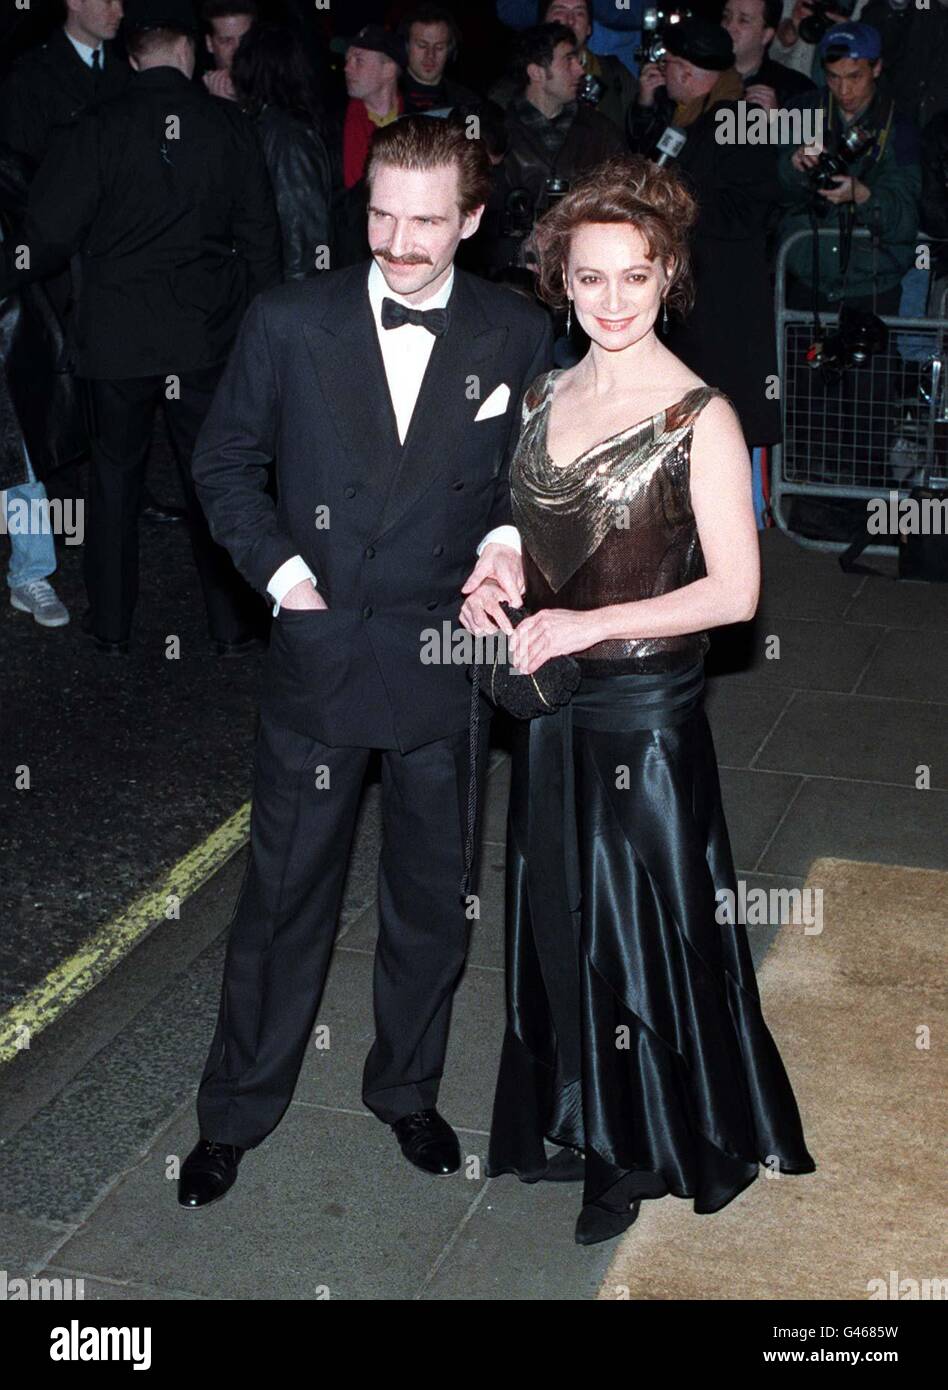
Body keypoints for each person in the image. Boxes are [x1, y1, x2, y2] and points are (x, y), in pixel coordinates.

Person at [178, 115, 553, 1208]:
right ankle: (235, 1114)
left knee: (433, 900)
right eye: (380, 212)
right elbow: (226, 462)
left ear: (474, 222)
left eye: (425, 222)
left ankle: (407, 1090)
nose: (395, 239)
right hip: (324, 653)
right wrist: (288, 580)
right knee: (284, 898)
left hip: (444, 653)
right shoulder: (290, 321)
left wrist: (501, 546)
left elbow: (525, 479)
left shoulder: (514, 331)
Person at [460, 156, 816, 1246]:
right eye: (591, 278)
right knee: (556, 915)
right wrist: (496, 571)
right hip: (553, 701)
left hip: (645, 720)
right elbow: (529, 519)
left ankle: (640, 1144)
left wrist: (590, 624)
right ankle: (572, 1110)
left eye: (636, 277)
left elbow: (736, 592)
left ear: (668, 279)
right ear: (561, 283)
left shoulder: (699, 416)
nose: (613, 300)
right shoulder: (541, 391)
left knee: (640, 930)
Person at [1, 0, 282, 654]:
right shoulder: (229, 126)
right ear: (188, 52)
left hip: (119, 341)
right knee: (212, 477)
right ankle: (232, 619)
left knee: (114, 477)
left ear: (132, 57)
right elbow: (262, 239)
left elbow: (43, 237)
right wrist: (261, 327)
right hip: (203, 337)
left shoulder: (95, 128)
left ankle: (113, 619)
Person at [628, 18, 782, 450]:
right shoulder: (685, 119)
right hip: (693, 302)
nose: (665, 74)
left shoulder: (740, 122)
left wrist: (674, 203)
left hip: (725, 307)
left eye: (672, 65)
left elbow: (749, 208)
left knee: (723, 425)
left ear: (690, 73)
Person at [776, 23, 921, 314]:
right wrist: (794, 166)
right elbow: (772, 195)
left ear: (876, 68)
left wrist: (864, 196)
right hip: (808, 277)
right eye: (833, 77)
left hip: (873, 285)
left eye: (855, 76)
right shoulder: (801, 112)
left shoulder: (900, 126)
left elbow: (906, 218)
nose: (844, 89)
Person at [487, 23, 624, 271]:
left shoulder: (602, 132)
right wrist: (519, 252)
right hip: (515, 279)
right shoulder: (497, 133)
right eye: (568, 61)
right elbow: (483, 221)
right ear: (536, 72)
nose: (580, 70)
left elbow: (622, 202)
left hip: (586, 268)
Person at [230, 22, 333, 280]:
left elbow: (302, 230)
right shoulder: (274, 128)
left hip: (290, 294)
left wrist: (295, 301)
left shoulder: (286, 137)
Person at [0, 0, 129, 175]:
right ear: (75, 2)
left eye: (120, 2)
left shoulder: (128, 73)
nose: (119, 12)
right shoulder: (31, 75)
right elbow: (18, 163)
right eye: (107, 2)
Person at [491, 1, 637, 133]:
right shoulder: (511, 87)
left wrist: (644, 106)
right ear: (543, 23)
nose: (570, 21)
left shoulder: (615, 74)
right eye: (560, 11)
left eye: (579, 13)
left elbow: (628, 8)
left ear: (589, 28)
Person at [721, 0, 816, 111]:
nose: (729, 27)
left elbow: (814, 127)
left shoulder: (799, 90)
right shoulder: (701, 70)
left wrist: (776, 121)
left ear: (766, 35)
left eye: (743, 20)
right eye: (726, 16)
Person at [397, 3, 479, 115]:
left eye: (439, 47)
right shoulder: (385, 97)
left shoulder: (468, 103)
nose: (430, 55)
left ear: (450, 50)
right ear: (405, 46)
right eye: (422, 45)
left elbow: (474, 132)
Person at [201, 0, 256, 102]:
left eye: (245, 39)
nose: (238, 48)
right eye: (226, 41)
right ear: (209, 44)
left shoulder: (276, 85)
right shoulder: (195, 97)